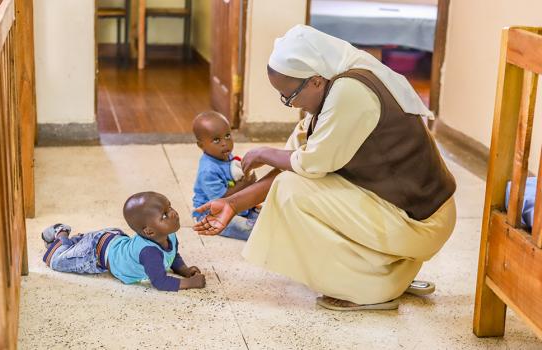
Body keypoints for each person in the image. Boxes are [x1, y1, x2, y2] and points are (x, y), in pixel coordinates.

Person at [193, 25, 456, 311]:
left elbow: (307, 165)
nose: (289, 104)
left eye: (289, 96)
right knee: (292, 186)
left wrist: (264, 152)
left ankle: (370, 288)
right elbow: (295, 164)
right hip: (412, 213)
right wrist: (232, 203)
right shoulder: (332, 90)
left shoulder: (350, 93)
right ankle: (386, 275)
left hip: (422, 222)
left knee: (291, 194)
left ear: (315, 81)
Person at [42, 191, 206, 291]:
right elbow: (160, 282)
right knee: (56, 261)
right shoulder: (149, 252)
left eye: (169, 207)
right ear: (148, 231)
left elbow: (172, 255)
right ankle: (61, 233)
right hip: (95, 253)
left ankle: (76, 241)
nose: (173, 213)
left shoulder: (169, 235)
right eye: (164, 215)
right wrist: (189, 283)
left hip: (113, 240)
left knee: (78, 246)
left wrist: (183, 269)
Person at [192, 111, 260, 240]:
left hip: (235, 205)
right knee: (250, 229)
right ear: (201, 145)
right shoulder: (208, 170)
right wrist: (245, 184)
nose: (224, 143)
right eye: (216, 140)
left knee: (268, 216)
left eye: (227, 136)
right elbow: (220, 199)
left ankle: (250, 216)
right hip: (213, 213)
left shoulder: (225, 154)